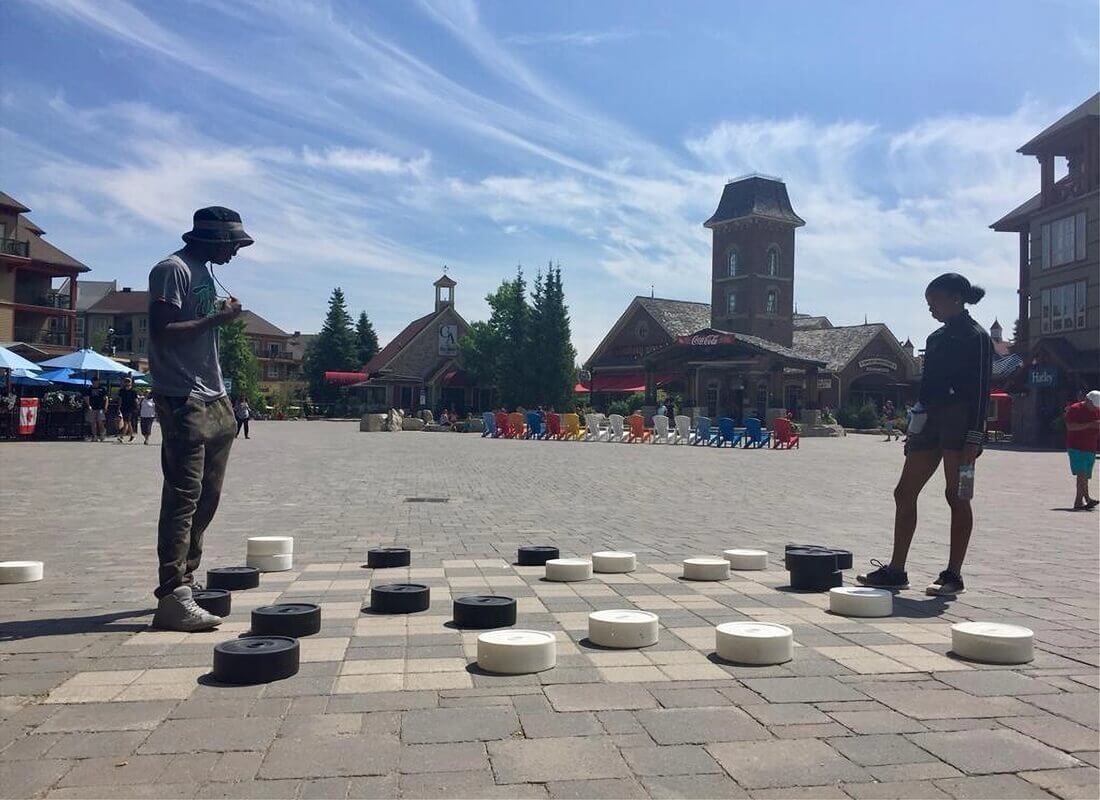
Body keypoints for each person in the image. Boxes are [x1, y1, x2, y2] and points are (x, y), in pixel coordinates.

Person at [148, 206, 252, 632]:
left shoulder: (204, 271)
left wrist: (218, 319)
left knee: (208, 495)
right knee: (183, 495)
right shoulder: (172, 270)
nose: (234, 252)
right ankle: (172, 592)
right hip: (182, 395)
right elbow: (161, 330)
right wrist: (218, 318)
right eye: (232, 244)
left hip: (216, 396)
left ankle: (186, 581)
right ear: (211, 239)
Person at [858, 273, 993, 597]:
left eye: (934, 301)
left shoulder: (978, 337)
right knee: (903, 492)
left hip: (962, 424)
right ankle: (896, 569)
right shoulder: (934, 339)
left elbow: (982, 389)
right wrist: (914, 425)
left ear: (955, 299)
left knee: (957, 495)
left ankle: (953, 575)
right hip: (929, 420)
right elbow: (927, 387)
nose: (930, 308)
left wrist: (975, 435)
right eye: (928, 303)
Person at [1064, 390, 1100, 511]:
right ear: (1087, 400)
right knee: (1082, 474)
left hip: (1091, 447)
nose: (1095, 409)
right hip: (1076, 447)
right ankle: (1083, 500)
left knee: (1085, 476)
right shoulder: (1075, 409)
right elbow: (1070, 426)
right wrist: (1090, 425)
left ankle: (1081, 501)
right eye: (1093, 406)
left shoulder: (1097, 410)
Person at [85, 377, 108, 441]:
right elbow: (87, 398)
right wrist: (89, 405)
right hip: (92, 408)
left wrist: (105, 406)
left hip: (100, 407)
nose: (95, 382)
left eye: (96, 381)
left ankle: (102, 434)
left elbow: (106, 398)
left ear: (98, 381)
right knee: (93, 422)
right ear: (92, 382)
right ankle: (94, 436)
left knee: (100, 422)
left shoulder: (102, 389)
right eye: (93, 381)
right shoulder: (89, 389)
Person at [118, 377, 139, 443]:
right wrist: (119, 407)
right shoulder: (122, 391)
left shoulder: (133, 391)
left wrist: (137, 407)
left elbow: (136, 400)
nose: (127, 383)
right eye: (126, 381)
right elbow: (120, 400)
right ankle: (132, 435)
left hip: (131, 408)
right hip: (124, 408)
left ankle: (122, 436)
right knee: (127, 422)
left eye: (128, 381)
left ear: (131, 383)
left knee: (127, 422)